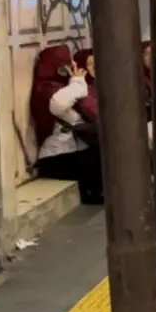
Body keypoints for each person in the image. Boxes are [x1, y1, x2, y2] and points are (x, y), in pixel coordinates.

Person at [30, 45, 103, 204]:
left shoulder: (67, 87)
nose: (73, 67)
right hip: (55, 157)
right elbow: (60, 103)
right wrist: (78, 81)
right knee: (96, 159)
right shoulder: (46, 89)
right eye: (68, 64)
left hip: (74, 152)